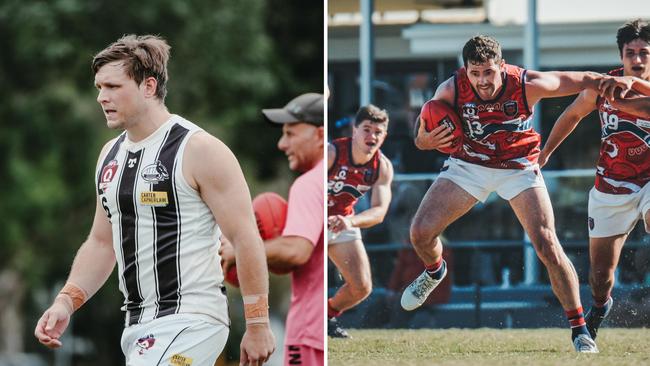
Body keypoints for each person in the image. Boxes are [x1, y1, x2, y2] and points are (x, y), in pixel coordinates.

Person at [33, 35, 275, 365]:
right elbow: (102, 243)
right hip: (138, 326)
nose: (102, 97)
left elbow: (245, 237)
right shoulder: (110, 156)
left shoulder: (199, 150)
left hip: (192, 320)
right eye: (99, 87)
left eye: (113, 87)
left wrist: (258, 324)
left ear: (149, 86)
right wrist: (65, 301)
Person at [402, 35, 623, 353]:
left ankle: (580, 330)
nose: (482, 81)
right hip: (469, 164)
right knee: (420, 233)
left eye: (489, 72)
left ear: (501, 67)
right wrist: (426, 141)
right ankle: (434, 271)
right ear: (465, 70)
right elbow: (420, 139)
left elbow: (581, 79)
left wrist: (624, 82)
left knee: (547, 244)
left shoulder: (526, 84)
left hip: (518, 167)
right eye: (475, 73)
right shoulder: (450, 90)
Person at [539, 19, 650, 341]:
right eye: (631, 53)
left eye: (644, 52)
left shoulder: (618, 92)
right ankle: (600, 307)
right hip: (612, 185)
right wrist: (545, 153)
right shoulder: (602, 86)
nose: (638, 60)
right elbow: (572, 114)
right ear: (621, 55)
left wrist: (620, 100)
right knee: (600, 275)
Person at [221, 93, 325, 365]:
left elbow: (295, 251)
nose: (282, 144)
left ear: (319, 135)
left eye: (291, 134)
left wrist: (241, 249)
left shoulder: (308, 184)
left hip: (310, 332)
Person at [326, 104, 394, 338]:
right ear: (353, 130)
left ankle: (326, 317)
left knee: (362, 287)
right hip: (312, 218)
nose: (371, 136)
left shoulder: (382, 167)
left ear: (384, 136)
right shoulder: (332, 153)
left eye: (378, 132)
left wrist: (350, 222)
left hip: (341, 221)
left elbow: (379, 212)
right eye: (366, 129)